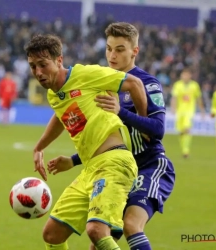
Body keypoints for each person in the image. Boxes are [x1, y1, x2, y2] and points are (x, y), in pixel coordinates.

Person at [46, 22, 175, 250]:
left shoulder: (147, 83)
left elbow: (157, 131)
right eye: (109, 48)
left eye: (120, 49)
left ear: (135, 51)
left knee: (131, 225)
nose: (112, 55)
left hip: (149, 166)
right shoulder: (100, 81)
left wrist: (121, 112)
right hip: (115, 169)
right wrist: (73, 160)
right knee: (98, 242)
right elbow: (102, 137)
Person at [25, 33, 148, 250]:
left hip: (114, 163)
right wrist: (39, 147)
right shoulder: (55, 94)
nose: (38, 72)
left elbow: (135, 83)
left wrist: (143, 124)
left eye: (43, 65)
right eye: (33, 66)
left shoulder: (86, 74)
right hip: (90, 169)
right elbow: (61, 116)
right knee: (52, 234)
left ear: (59, 60)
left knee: (96, 231)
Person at [171, 68, 205, 157]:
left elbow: (198, 98)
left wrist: (202, 110)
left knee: (187, 129)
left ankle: (186, 151)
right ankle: (183, 148)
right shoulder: (177, 85)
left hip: (190, 111)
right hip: (180, 111)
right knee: (181, 132)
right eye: (183, 74)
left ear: (190, 76)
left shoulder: (194, 85)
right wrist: (173, 108)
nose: (185, 76)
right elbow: (174, 97)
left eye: (186, 75)